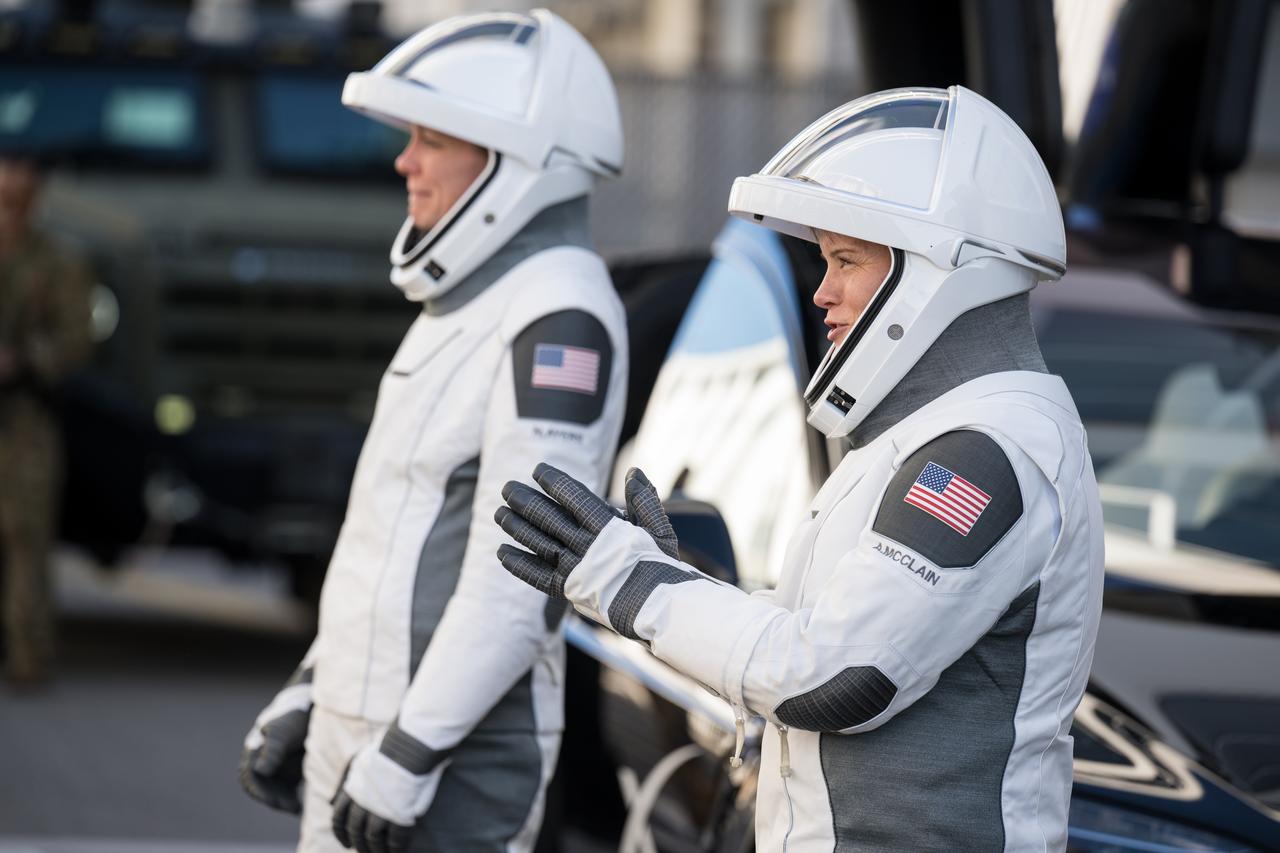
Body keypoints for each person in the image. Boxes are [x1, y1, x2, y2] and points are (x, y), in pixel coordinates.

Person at [495, 85, 1105, 852]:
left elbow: (836, 677)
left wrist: (634, 583)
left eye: (846, 259)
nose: (823, 291)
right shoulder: (936, 435)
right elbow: (822, 640)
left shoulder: (988, 451)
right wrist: (677, 580)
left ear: (938, 270)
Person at [238, 11, 628, 853]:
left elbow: (519, 574)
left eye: (431, 139)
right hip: (368, 737)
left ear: (514, 161)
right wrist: (313, 687)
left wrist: (412, 751)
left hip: (451, 760)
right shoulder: (467, 299)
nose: (403, 161)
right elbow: (393, 536)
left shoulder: (559, 314)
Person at [0, 155, 93, 686]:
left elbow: (75, 339)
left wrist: (26, 359)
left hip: (26, 418)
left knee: (26, 540)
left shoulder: (57, 262)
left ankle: (27, 657)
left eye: (21, 187)